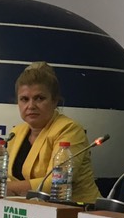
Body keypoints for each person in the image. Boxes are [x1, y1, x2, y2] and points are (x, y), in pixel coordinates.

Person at [5, 61, 99, 203]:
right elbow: (10, 179)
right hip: (32, 209)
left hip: (77, 209)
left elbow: (57, 182)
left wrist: (2, 187)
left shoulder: (69, 129)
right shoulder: (16, 133)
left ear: (54, 101)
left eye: (39, 98)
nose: (31, 106)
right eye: (24, 99)